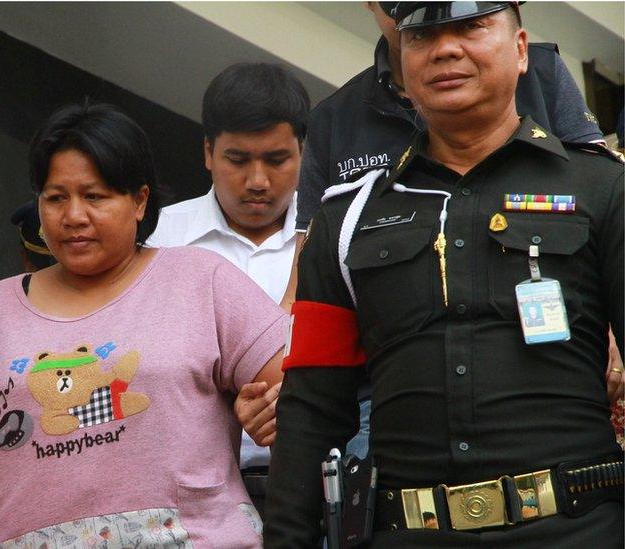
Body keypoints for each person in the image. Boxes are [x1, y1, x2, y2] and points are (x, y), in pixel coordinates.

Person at [266, 2, 624, 547]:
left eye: (471, 27)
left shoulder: (603, 190)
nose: (446, 49)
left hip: (579, 529)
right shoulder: (347, 220)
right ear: (404, 68)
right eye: (422, 35)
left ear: (521, 50)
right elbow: (310, 409)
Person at [0, 102, 287, 547]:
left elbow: (300, 400)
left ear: (139, 200)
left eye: (95, 196)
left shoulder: (200, 278)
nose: (74, 215)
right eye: (55, 197)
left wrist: (272, 412)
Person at [145, 62, 310, 515]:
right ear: (207, 153)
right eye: (237, 160)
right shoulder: (158, 240)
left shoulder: (336, 235)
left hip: (315, 490)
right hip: (190, 502)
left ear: (303, 152)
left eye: (277, 160)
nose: (257, 180)